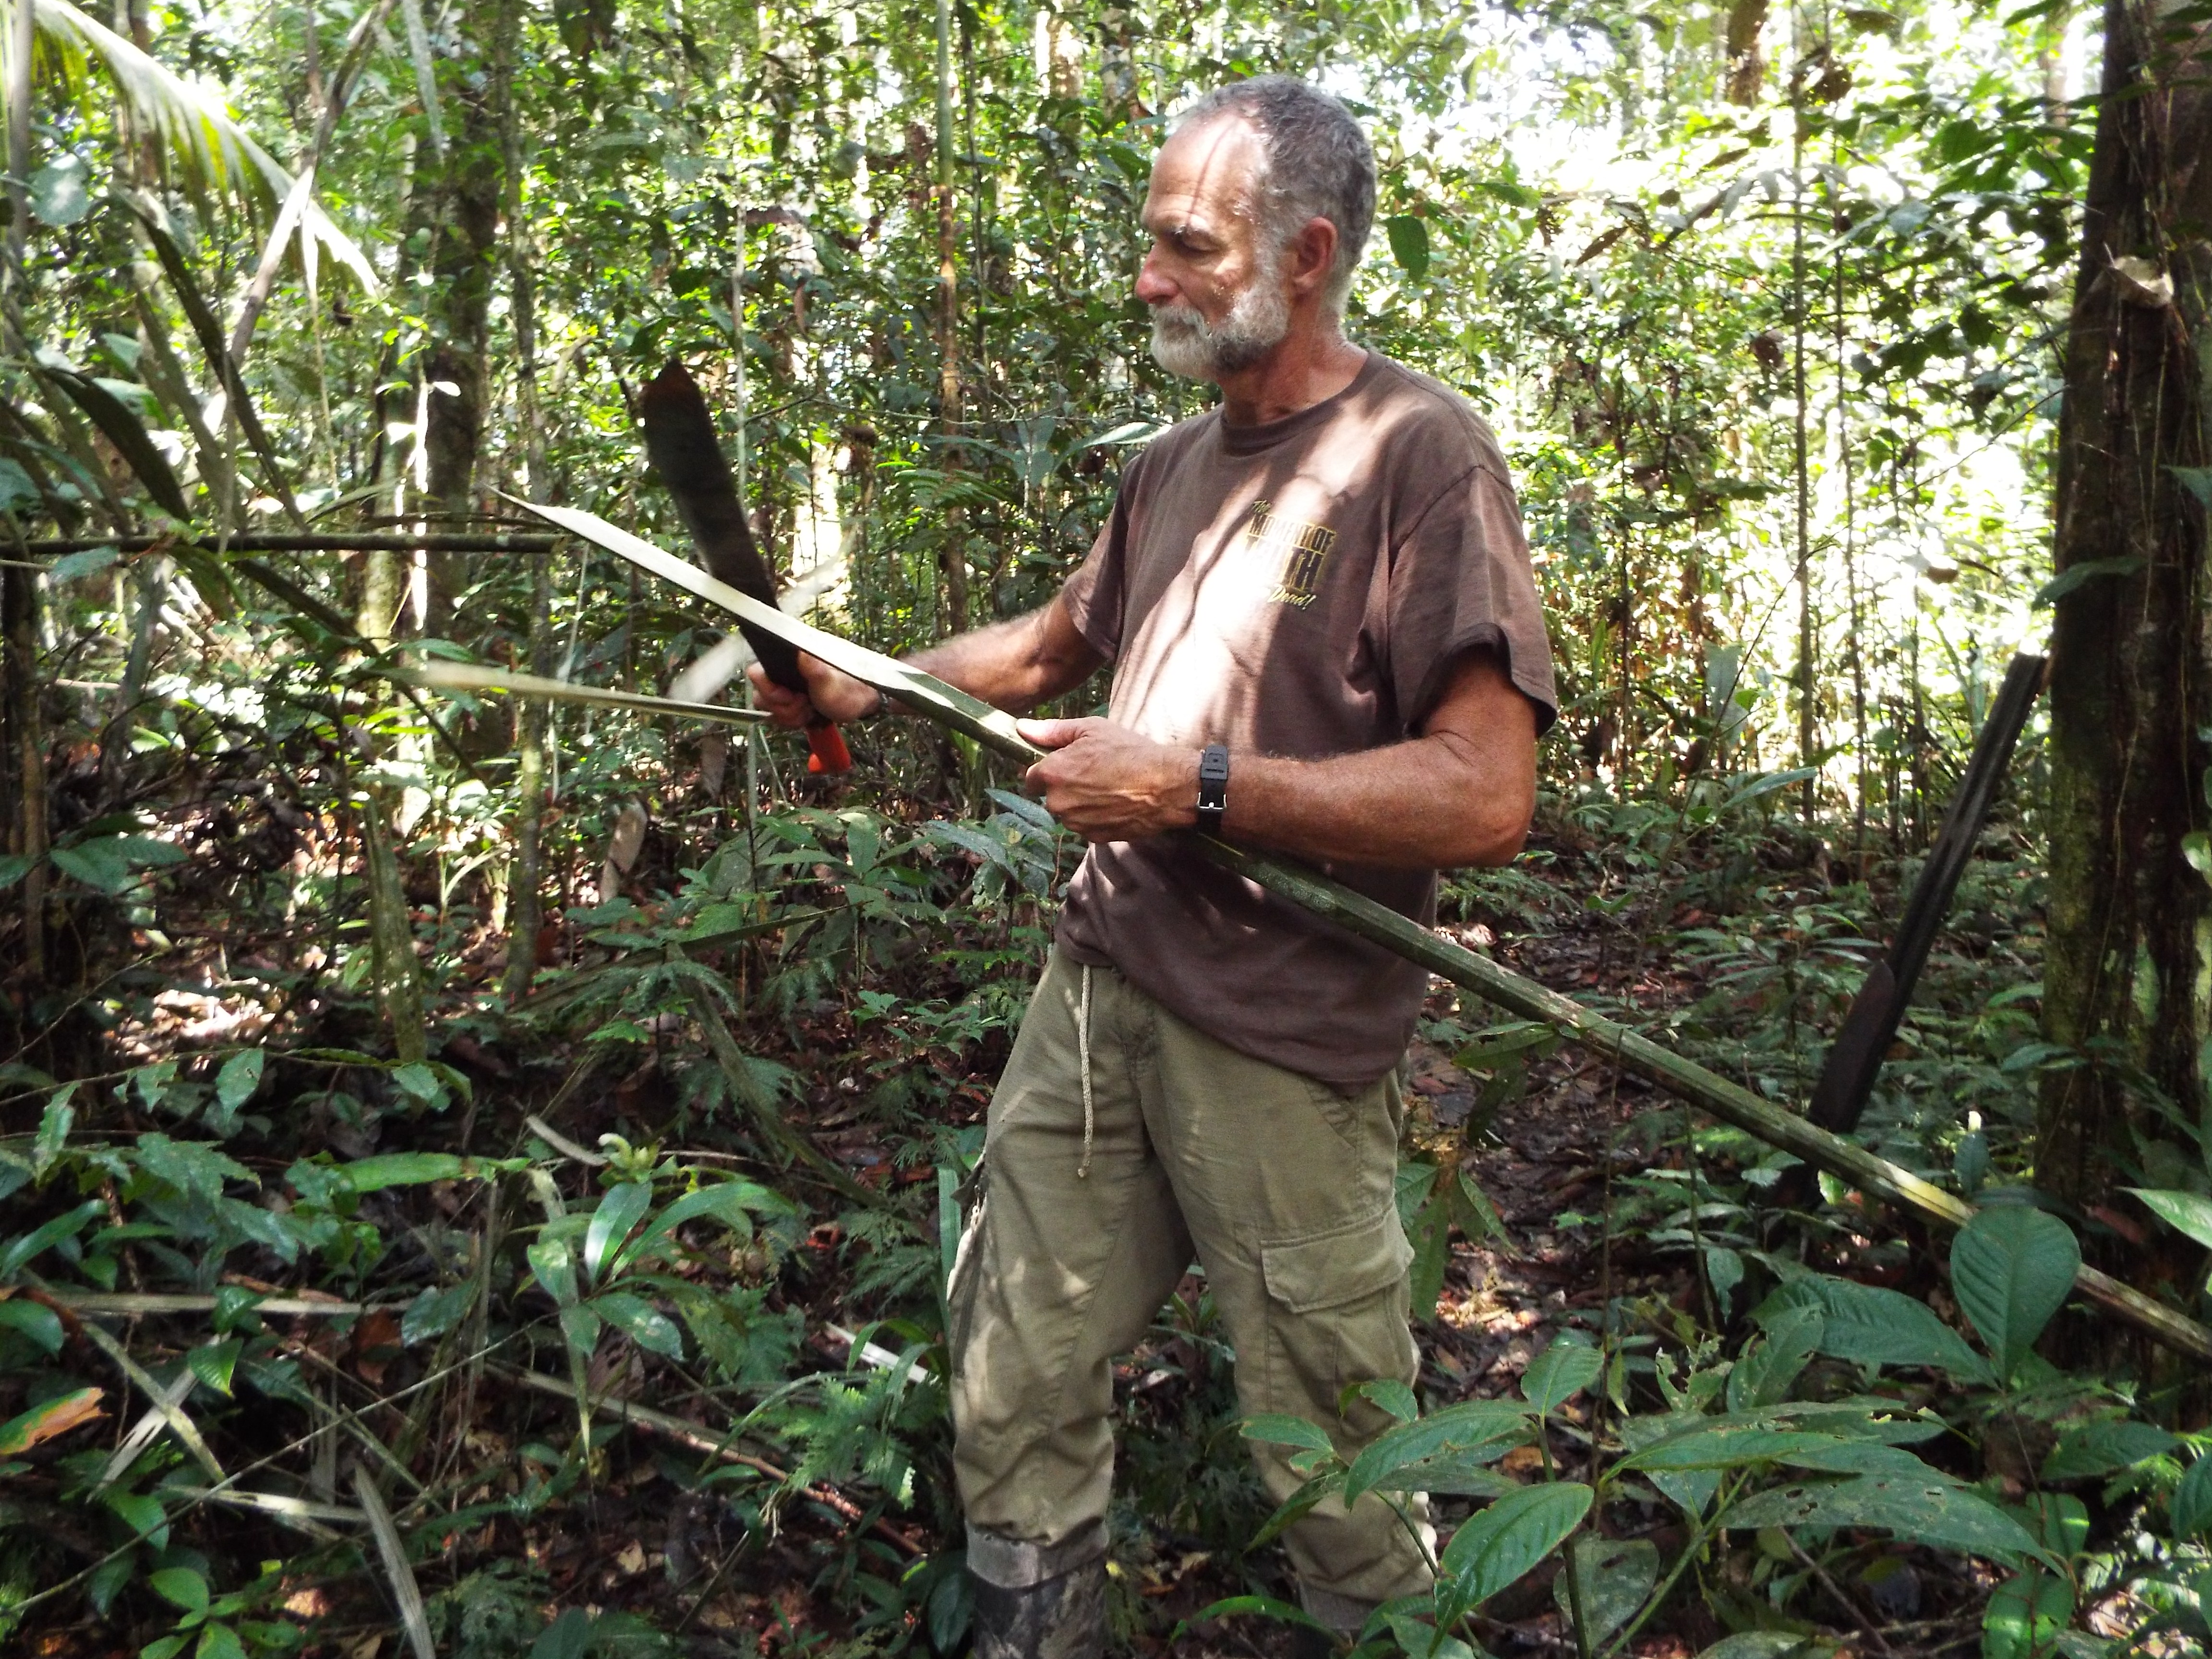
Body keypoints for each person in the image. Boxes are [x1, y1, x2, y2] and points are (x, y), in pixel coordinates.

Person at [753, 75, 1556, 1659]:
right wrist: (864, 680)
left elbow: (1485, 796)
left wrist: (1193, 787)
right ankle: (1033, 1626)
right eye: (1152, 241)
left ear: (1306, 255)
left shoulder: (1420, 457)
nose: (1147, 279)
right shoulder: (1176, 464)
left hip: (1285, 1037)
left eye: (1189, 246)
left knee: (1335, 1442)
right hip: (1099, 986)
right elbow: (1053, 646)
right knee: (1014, 1360)